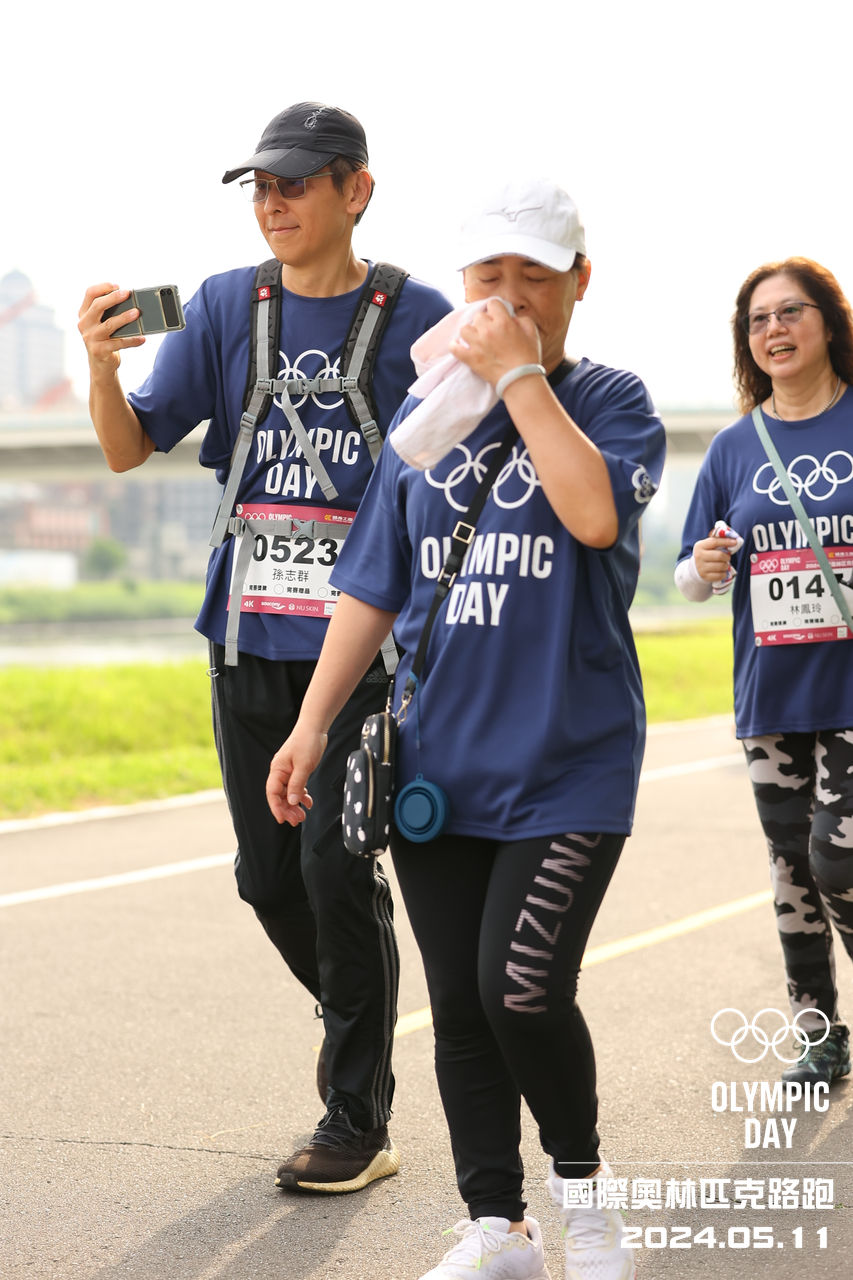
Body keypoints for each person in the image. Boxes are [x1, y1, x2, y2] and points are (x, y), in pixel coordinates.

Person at [266, 179, 665, 1280]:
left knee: (520, 989)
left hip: (567, 765)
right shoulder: (423, 420)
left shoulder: (610, 399)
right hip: (437, 765)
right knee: (457, 1009)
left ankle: (587, 1202)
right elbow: (372, 585)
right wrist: (309, 725)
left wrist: (519, 377)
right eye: (489, 276)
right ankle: (498, 1228)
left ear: (578, 283)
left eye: (535, 275)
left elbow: (592, 515)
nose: (509, 295)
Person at [77, 101, 451, 1192]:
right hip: (243, 639)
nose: (272, 202)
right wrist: (101, 367)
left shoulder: (418, 316)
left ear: (356, 189)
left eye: (294, 182)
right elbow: (127, 447)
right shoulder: (222, 306)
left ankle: (356, 1115)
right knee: (269, 879)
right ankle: (357, 1023)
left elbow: (460, 475)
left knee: (336, 864)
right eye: (260, 186)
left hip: (368, 655)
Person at [676, 257, 853, 1089]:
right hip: (771, 693)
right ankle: (818, 1036)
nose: (773, 329)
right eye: (757, 319)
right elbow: (689, 577)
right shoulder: (733, 447)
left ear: (828, 322)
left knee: (835, 859)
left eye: (790, 312)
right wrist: (705, 564)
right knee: (791, 872)